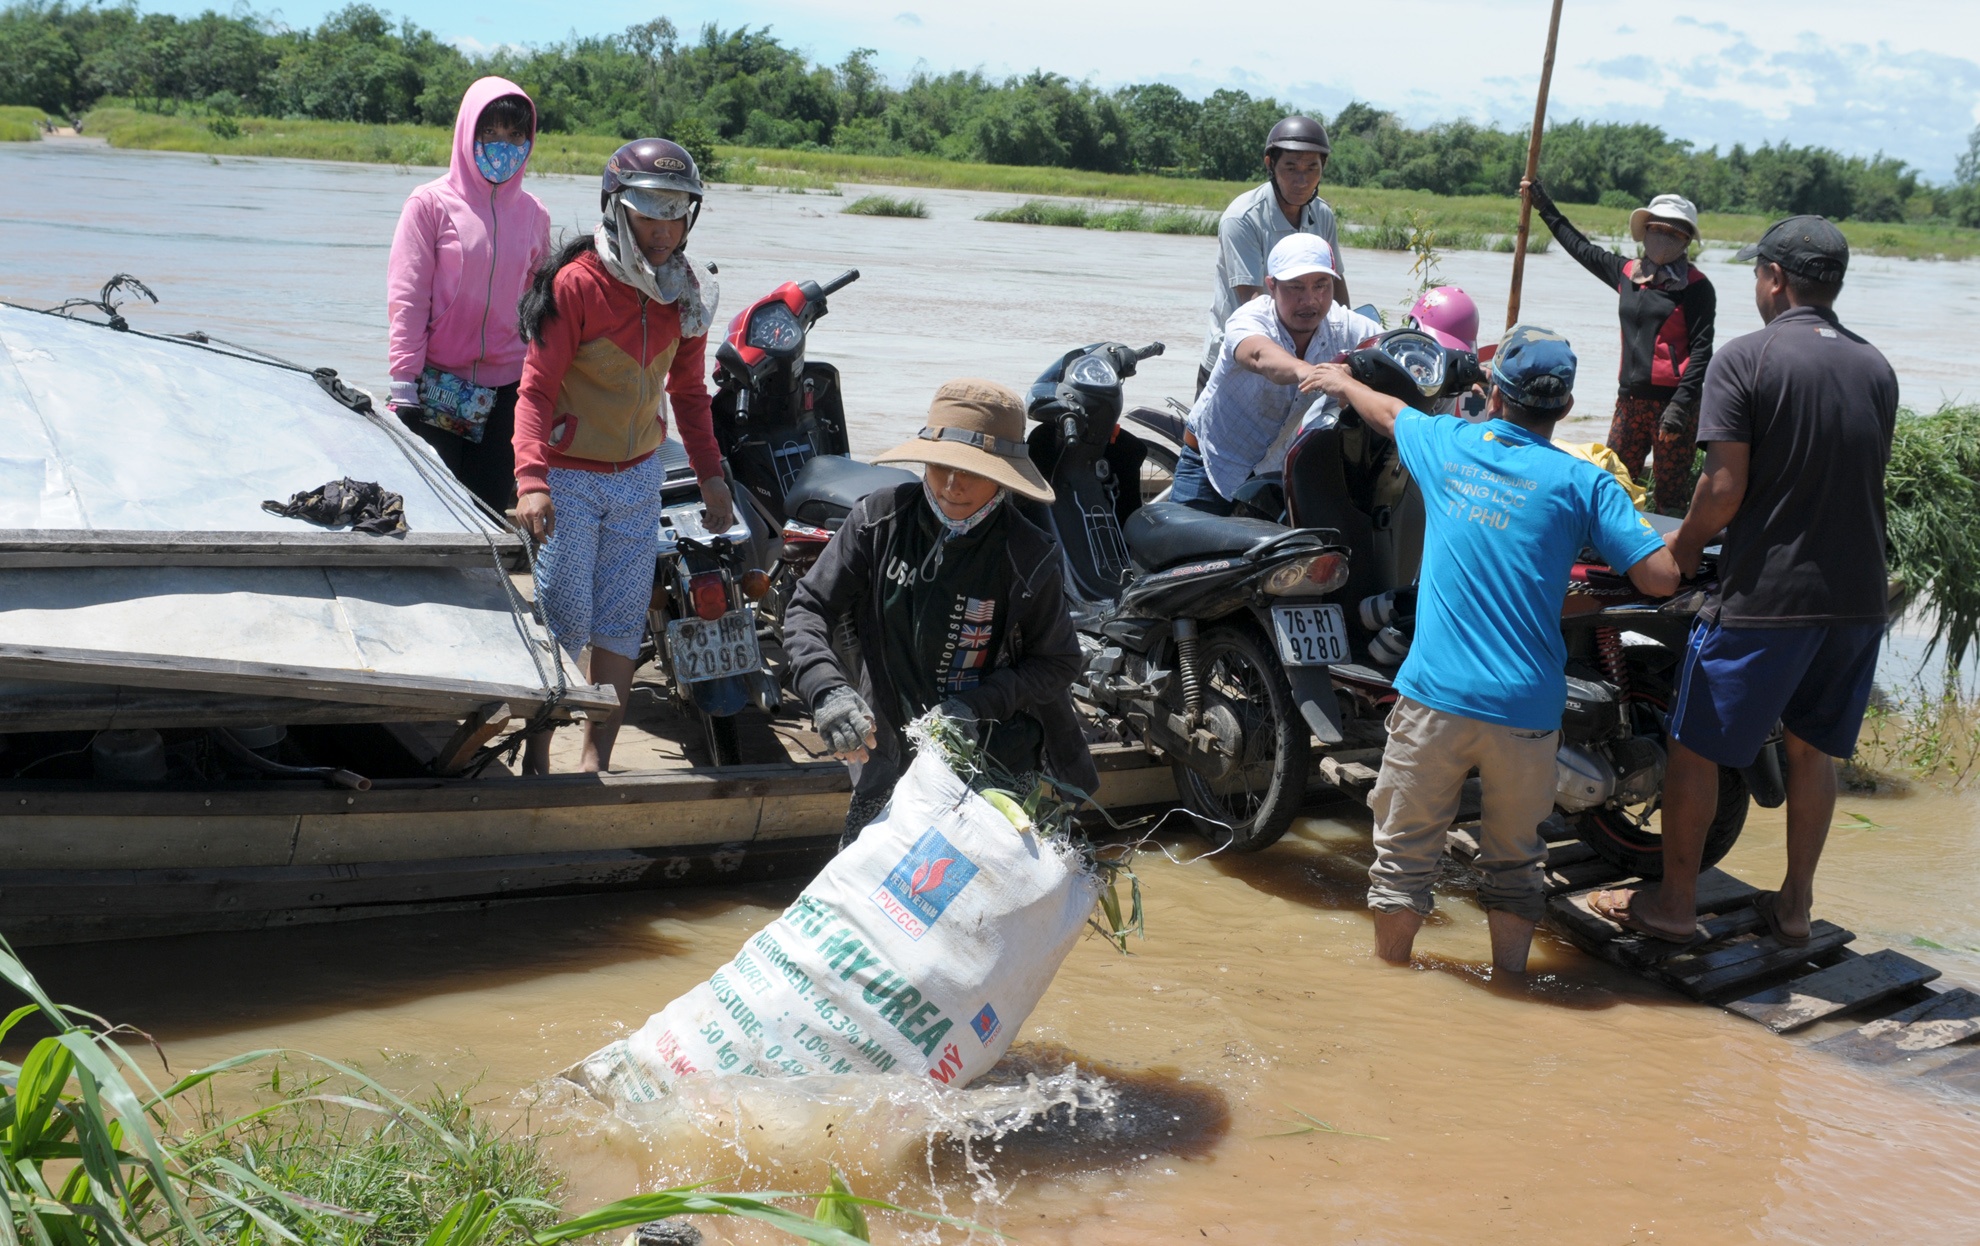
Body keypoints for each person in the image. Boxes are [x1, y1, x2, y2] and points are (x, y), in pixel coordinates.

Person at [1310, 325, 1680, 974]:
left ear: (1492, 394)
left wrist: (1342, 380)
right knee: (1515, 864)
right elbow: (1659, 579)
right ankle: (1510, 989)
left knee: (1403, 860)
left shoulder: (1449, 444)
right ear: (1564, 407)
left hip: (1435, 700)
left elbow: (1389, 412)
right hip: (1527, 713)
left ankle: (1388, 982)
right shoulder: (1585, 483)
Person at [1589, 217, 1897, 947]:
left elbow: (1723, 488)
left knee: (1695, 744)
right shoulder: (1875, 366)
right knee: (1810, 748)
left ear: (1775, 280)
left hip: (1768, 596)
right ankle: (1794, 910)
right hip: (1857, 597)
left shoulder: (1746, 360)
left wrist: (1685, 550)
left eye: (1760, 274)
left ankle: (1674, 904)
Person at [782, 379, 1099, 846]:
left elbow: (1058, 663)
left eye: (971, 471)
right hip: (889, 748)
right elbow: (808, 608)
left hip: (995, 761)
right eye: (940, 465)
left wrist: (974, 707)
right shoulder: (878, 521)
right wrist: (827, 690)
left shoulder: (1028, 555)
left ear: (1004, 475)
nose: (952, 484)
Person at [511, 137, 735, 774]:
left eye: (676, 213)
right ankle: (533, 752)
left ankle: (594, 763)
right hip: (569, 478)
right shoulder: (576, 286)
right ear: (615, 208)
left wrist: (712, 478)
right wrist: (532, 479)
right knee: (563, 615)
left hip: (640, 475)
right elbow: (535, 391)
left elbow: (690, 394)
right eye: (649, 212)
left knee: (620, 618)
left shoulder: (685, 295)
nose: (663, 230)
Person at [386, 77, 551, 512]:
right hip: (436, 387)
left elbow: (540, 308)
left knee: (490, 511)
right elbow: (408, 297)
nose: (504, 146)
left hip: (507, 392)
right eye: (490, 133)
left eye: (516, 135)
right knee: (433, 512)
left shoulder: (535, 214)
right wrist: (404, 382)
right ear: (467, 134)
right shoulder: (429, 205)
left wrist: (547, 381)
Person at [1524, 180, 1716, 514]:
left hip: (1674, 406)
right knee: (1614, 486)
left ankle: (1668, 559)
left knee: (1670, 495)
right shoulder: (1628, 273)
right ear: (1645, 232)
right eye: (1657, 229)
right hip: (1629, 401)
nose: (1663, 238)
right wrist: (1544, 207)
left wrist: (1680, 407)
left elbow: (1702, 351)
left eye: (1674, 233)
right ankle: (1612, 559)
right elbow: (1580, 247)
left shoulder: (1697, 287)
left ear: (1686, 240)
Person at [1173, 234, 1382, 515]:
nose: (1310, 300)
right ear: (1271, 286)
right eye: (1296, 287)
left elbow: (1395, 350)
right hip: (1212, 463)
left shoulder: (1346, 327)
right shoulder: (1249, 318)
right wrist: (1313, 373)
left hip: (1272, 476)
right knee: (1186, 554)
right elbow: (1260, 355)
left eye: (1321, 285)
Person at [1198, 115, 1353, 396]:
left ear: (1323, 167)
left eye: (1311, 168)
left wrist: (1348, 347)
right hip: (1242, 358)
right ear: (1270, 164)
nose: (1302, 180)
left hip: (1305, 359)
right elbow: (1255, 303)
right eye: (1291, 168)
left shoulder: (1323, 215)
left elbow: (1336, 284)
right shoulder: (1242, 218)